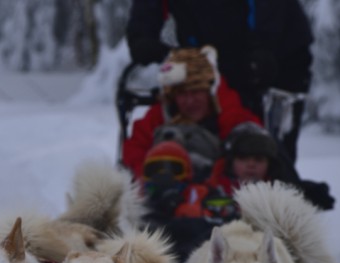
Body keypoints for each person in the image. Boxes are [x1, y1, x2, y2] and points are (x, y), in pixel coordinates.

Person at [125, 0, 313, 164]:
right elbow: (148, 7)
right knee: (194, 113)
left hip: (278, 50)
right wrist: (141, 37)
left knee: (261, 138)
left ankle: (274, 186)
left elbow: (269, 7)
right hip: (208, 48)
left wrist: (263, 45)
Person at [122, 45, 261, 183]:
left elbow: (257, 149)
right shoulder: (159, 117)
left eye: (196, 92)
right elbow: (134, 152)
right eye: (182, 94)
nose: (190, 101)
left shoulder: (231, 115)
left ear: (210, 91)